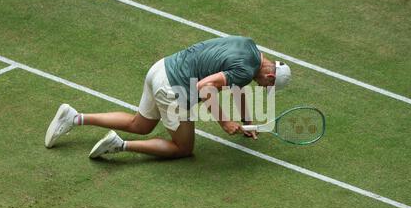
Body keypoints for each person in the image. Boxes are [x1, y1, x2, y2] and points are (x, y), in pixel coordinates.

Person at [44, 36, 291, 159]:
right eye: (266, 86)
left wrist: (246, 121)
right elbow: (205, 87)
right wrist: (225, 122)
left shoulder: (250, 47)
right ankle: (119, 145)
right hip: (174, 88)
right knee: (183, 148)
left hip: (161, 68)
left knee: (139, 125)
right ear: (270, 75)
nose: (262, 88)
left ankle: (74, 117)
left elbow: (238, 87)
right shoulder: (247, 70)